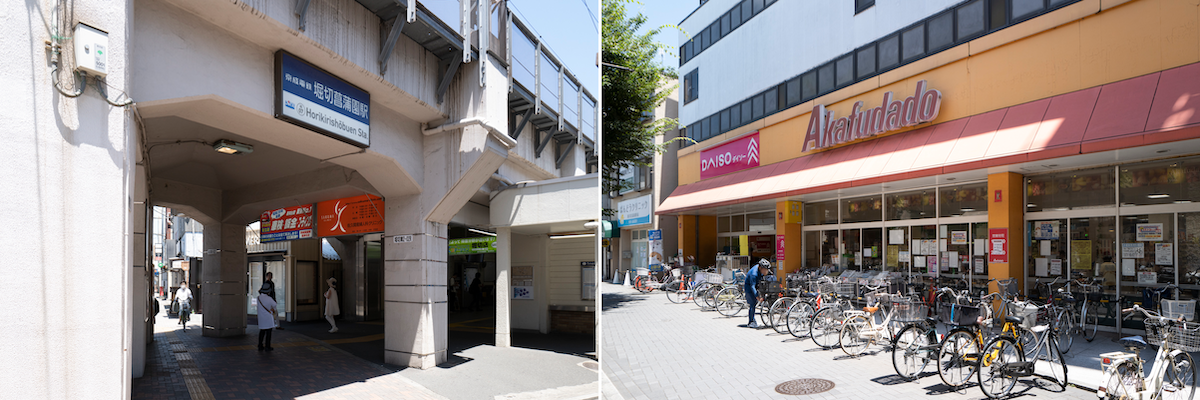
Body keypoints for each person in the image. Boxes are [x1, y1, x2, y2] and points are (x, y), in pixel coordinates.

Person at [740, 259, 768, 329]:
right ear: (760, 267)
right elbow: (752, 286)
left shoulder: (759, 268)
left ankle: (753, 320)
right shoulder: (754, 273)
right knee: (752, 304)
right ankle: (750, 322)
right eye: (764, 269)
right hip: (749, 288)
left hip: (754, 286)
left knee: (754, 304)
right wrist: (757, 296)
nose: (765, 271)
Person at [257, 283, 278, 351]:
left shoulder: (258, 298)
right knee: (268, 332)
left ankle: (260, 345)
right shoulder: (269, 299)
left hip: (261, 317)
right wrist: (272, 310)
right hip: (268, 317)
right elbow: (274, 305)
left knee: (262, 331)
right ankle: (267, 346)